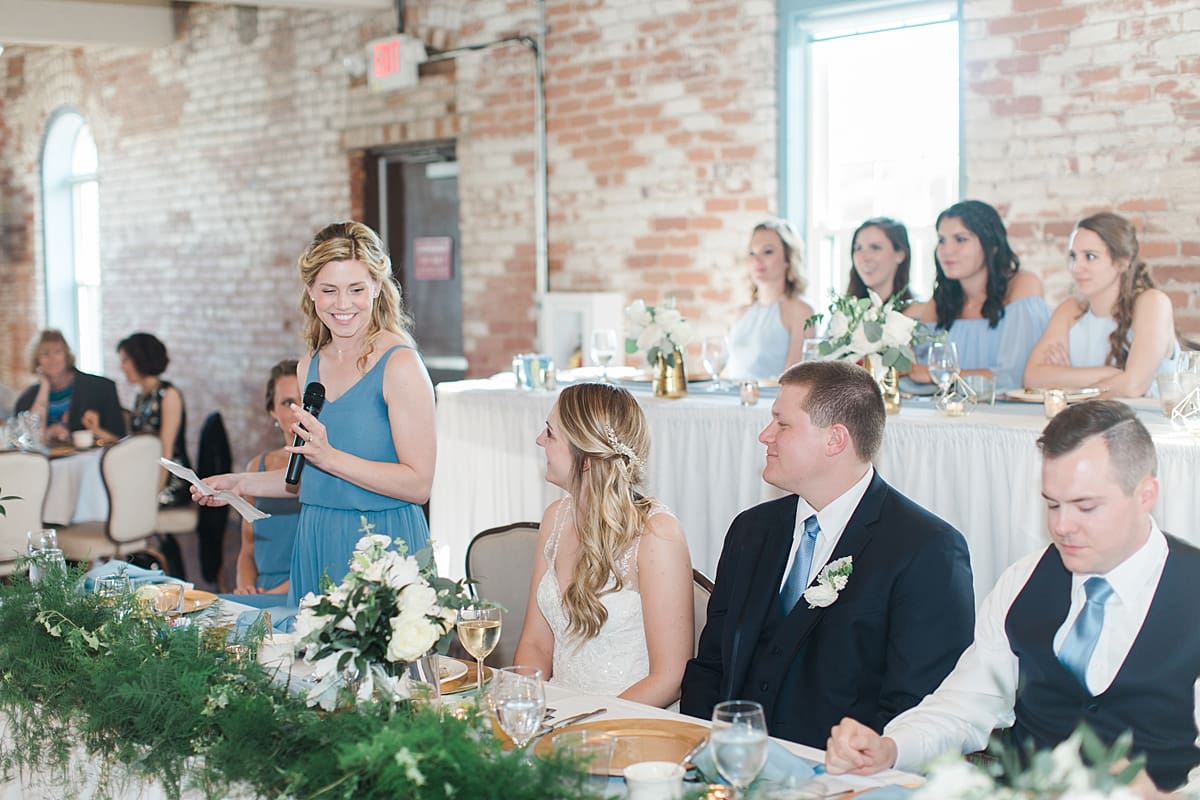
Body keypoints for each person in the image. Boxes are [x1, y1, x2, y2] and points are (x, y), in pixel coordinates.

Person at [825, 400, 1200, 798]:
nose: (1062, 526)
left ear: (1146, 495)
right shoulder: (1025, 579)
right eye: (1052, 504)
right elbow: (964, 707)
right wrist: (891, 747)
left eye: (1085, 506)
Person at [680, 360, 974, 747]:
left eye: (782, 424)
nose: (765, 436)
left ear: (835, 440)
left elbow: (918, 709)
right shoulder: (751, 530)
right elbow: (711, 666)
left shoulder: (926, 549)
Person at [195, 221, 435, 605]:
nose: (343, 304)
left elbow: (418, 484)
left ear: (376, 286)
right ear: (311, 292)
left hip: (380, 544)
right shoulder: (310, 365)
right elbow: (314, 478)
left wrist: (331, 457)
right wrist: (241, 485)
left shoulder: (400, 364)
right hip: (316, 536)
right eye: (329, 290)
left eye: (356, 289)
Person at [513, 382, 694, 708]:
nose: (540, 440)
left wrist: (590, 724)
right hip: (559, 713)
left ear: (585, 461)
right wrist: (526, 706)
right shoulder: (555, 518)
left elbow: (670, 678)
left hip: (632, 720)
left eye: (550, 434)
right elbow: (536, 644)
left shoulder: (657, 535)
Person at [1023, 212, 1178, 398]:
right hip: (1087, 423)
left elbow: (1132, 387)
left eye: (1090, 256)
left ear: (1122, 262)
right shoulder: (1069, 311)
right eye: (1073, 256)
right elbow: (1032, 378)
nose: (1075, 268)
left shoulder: (1152, 303)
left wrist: (1065, 381)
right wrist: (1109, 375)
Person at [906, 200, 1050, 392]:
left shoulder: (1022, 285)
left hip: (1007, 415)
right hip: (945, 413)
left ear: (992, 245)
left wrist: (940, 374)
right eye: (942, 240)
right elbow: (913, 370)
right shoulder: (940, 300)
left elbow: (1015, 376)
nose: (946, 250)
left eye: (960, 239)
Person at [231, 359, 301, 598]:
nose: (298, 411)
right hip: (263, 590)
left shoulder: (331, 468)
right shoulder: (257, 467)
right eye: (288, 402)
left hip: (309, 587)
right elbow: (248, 550)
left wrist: (270, 596)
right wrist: (247, 588)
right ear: (273, 412)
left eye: (305, 401)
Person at [724, 218, 816, 381]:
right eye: (752, 253)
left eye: (768, 252)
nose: (757, 260)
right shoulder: (739, 314)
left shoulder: (801, 311)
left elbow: (793, 380)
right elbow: (728, 372)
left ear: (788, 258)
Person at [15, 329, 126, 444]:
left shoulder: (101, 388)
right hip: (43, 460)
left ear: (66, 355)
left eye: (58, 352)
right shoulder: (27, 398)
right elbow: (25, 439)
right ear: (37, 360)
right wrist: (45, 386)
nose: (52, 359)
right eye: (45, 354)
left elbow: (120, 439)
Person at [119, 332, 190, 507]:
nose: (122, 367)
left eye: (125, 360)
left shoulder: (168, 395)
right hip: (148, 473)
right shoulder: (142, 395)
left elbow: (166, 450)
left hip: (170, 480)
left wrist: (154, 491)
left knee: (126, 505)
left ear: (140, 359)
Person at [846, 217, 913, 304]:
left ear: (900, 254)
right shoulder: (844, 312)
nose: (865, 257)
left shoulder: (918, 312)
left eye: (875, 247)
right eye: (858, 248)